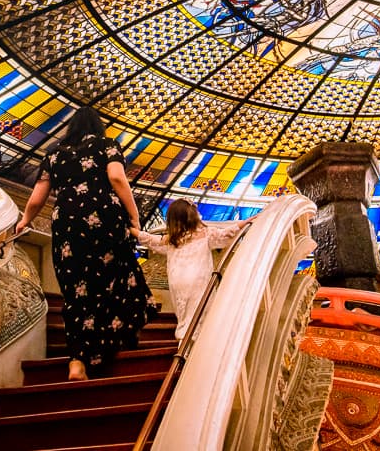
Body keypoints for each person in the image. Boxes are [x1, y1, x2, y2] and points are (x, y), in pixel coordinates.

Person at [15, 106, 158, 381]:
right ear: (97, 127)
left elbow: (37, 198)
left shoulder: (54, 154)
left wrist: (24, 221)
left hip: (68, 227)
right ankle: (117, 339)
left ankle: (77, 362)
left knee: (76, 291)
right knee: (117, 278)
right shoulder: (107, 145)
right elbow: (117, 177)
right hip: (105, 222)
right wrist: (134, 215)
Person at [130, 199, 248, 340]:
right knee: (202, 320)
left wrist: (131, 229)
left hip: (178, 286)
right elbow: (226, 234)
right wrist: (246, 222)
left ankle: (185, 342)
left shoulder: (171, 240)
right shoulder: (205, 234)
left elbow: (149, 239)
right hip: (199, 285)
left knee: (186, 320)